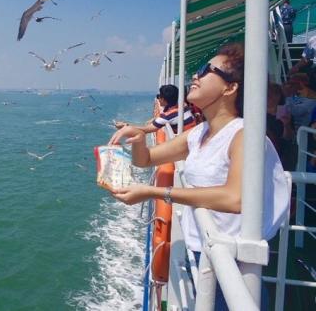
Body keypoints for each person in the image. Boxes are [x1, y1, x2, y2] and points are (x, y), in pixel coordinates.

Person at [101, 43, 290, 310]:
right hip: (204, 252)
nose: (195, 76)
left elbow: (235, 198)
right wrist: (139, 138)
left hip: (233, 263)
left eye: (206, 70)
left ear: (230, 87)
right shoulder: (200, 132)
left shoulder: (244, 134)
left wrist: (155, 192)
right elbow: (145, 160)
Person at [114, 84, 195, 134]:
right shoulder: (184, 106)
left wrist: (125, 126)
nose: (158, 99)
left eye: (159, 96)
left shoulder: (168, 116)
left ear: (163, 99)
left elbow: (147, 129)